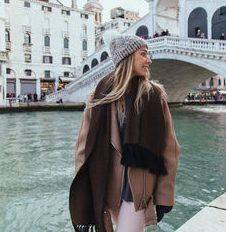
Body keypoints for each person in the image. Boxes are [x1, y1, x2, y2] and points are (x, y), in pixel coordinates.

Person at [69, 35, 180, 232]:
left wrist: (164, 195)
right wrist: (85, 201)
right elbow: (83, 150)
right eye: (143, 54)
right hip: (106, 186)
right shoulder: (100, 96)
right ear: (127, 58)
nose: (149, 59)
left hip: (137, 191)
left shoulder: (154, 96)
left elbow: (169, 149)